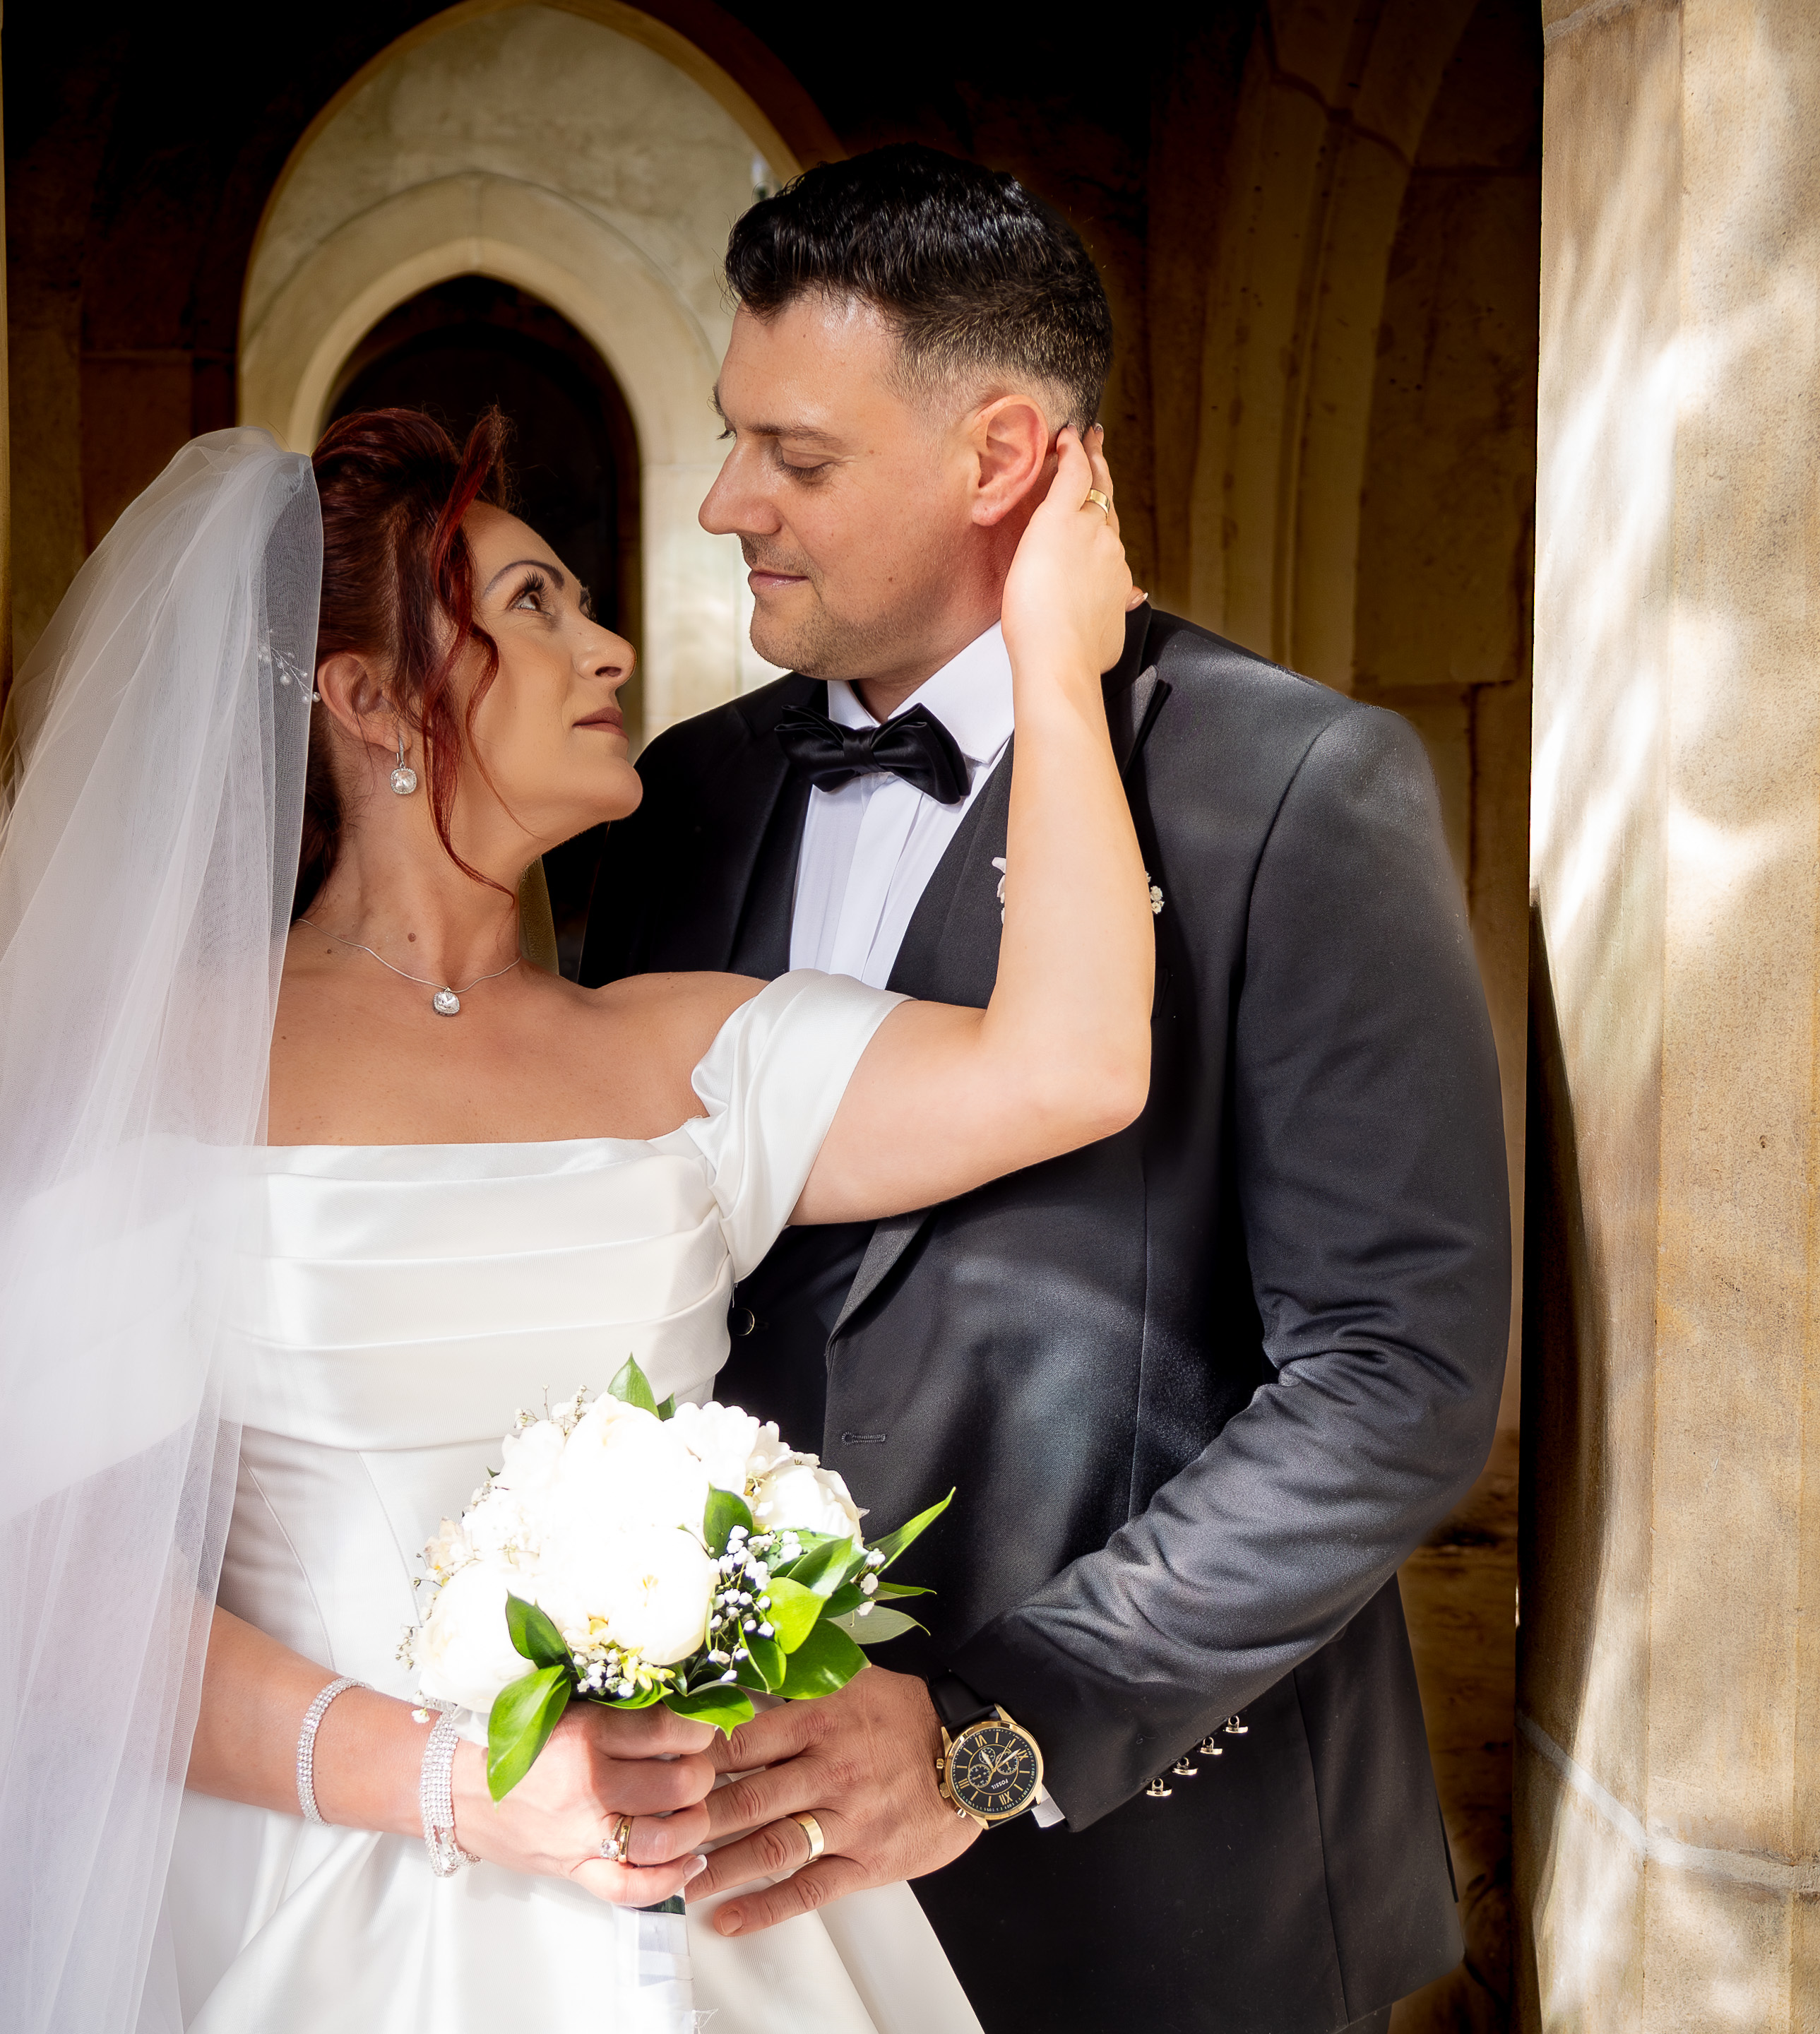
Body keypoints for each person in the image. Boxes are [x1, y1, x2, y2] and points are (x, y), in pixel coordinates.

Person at [0, 398, 1145, 2031]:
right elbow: (46, 1593)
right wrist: (458, 1784)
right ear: (367, 699)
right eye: (531, 605)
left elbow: (1068, 1068)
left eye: (580, 603)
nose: (606, 649)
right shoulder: (168, 1067)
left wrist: (1053, 669)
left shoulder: (685, 1050)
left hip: (694, 1888)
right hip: (314, 1901)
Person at [576, 145, 1513, 2034]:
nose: (725, 501)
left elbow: (1394, 1377)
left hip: (1164, 1907)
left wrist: (990, 1732)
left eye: (794, 456)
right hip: (740, 1902)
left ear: (999, 456)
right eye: (732, 437)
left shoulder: (1291, 790)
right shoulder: (675, 801)